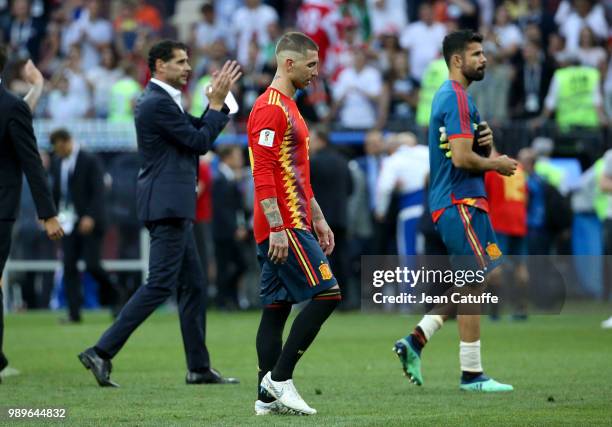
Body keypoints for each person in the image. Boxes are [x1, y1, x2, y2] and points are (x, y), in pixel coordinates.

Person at [78, 40, 241, 387]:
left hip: (171, 205)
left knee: (194, 285)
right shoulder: (155, 103)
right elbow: (199, 143)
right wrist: (215, 104)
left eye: (188, 60)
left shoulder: (163, 101)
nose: (187, 67)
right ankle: (101, 351)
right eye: (180, 61)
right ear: (159, 65)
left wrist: (222, 103)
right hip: (167, 205)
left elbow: (195, 132)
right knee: (159, 285)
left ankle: (198, 368)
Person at [392, 30, 517, 392]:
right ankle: (471, 373)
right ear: (457, 60)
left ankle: (417, 339)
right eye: (477, 54)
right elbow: (462, 158)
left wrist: (489, 146)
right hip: (459, 203)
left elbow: (464, 150)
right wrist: (497, 164)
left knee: (481, 277)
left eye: (484, 53)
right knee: (475, 283)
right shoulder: (455, 98)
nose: (484, 59)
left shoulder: (456, 99)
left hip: (465, 203)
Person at [248, 32, 341, 415]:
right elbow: (264, 173)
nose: (316, 73)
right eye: (311, 65)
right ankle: (280, 379)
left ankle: (265, 397)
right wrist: (277, 226)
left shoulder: (289, 106)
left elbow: (296, 174)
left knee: (276, 307)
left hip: (294, 219)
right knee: (328, 294)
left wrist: (318, 217)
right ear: (288, 63)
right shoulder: (271, 108)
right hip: (284, 224)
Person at [0, 50, 64, 383]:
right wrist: (36, 88)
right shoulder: (14, 107)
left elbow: (31, 164)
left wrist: (48, 214)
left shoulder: (11, 107)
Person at [49, 128, 119, 323]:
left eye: (61, 147)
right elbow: (56, 193)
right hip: (68, 222)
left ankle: (116, 297)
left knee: (92, 265)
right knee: (68, 266)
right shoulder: (56, 163)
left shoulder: (90, 160)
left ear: (68, 141)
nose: (59, 152)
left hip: (92, 222)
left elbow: (99, 191)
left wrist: (90, 216)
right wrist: (49, 216)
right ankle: (74, 313)